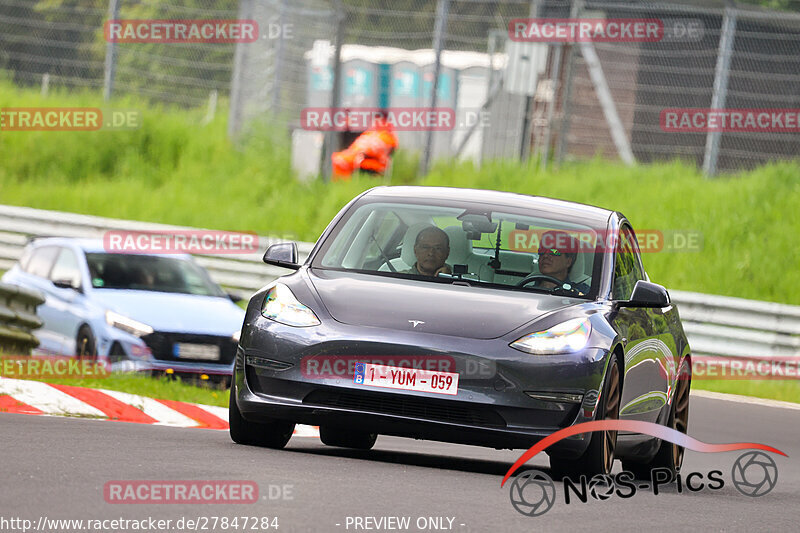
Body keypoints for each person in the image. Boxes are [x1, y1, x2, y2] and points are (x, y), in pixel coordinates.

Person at [331, 110, 398, 181]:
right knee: (336, 158)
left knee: (339, 161)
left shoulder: (387, 137)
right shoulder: (371, 133)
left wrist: (360, 152)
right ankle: (341, 184)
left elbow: (373, 150)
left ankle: (344, 183)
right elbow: (357, 145)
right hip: (357, 156)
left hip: (371, 161)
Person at [534, 230, 590, 294]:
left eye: (554, 251)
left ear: (568, 262)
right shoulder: (525, 286)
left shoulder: (582, 292)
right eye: (542, 250)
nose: (545, 255)